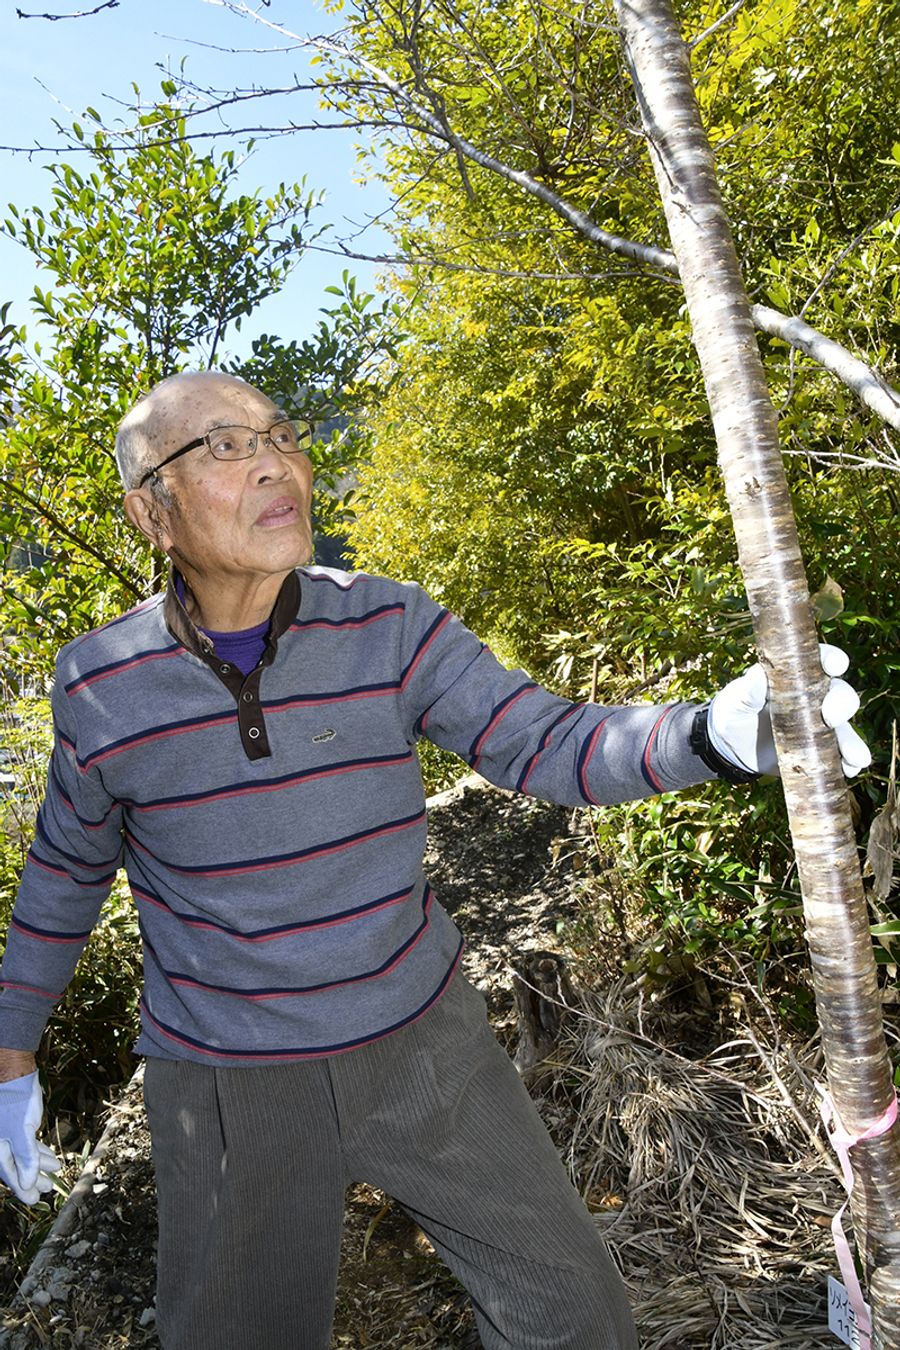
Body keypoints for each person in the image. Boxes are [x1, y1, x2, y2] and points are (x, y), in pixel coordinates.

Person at [0, 372, 869, 1350]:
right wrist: (13, 1047)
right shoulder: (100, 686)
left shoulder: (388, 625)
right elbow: (64, 874)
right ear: (150, 512)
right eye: (227, 447)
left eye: (280, 435)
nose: (276, 461)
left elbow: (547, 742)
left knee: (573, 1316)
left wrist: (710, 733)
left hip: (422, 1040)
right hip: (229, 1081)